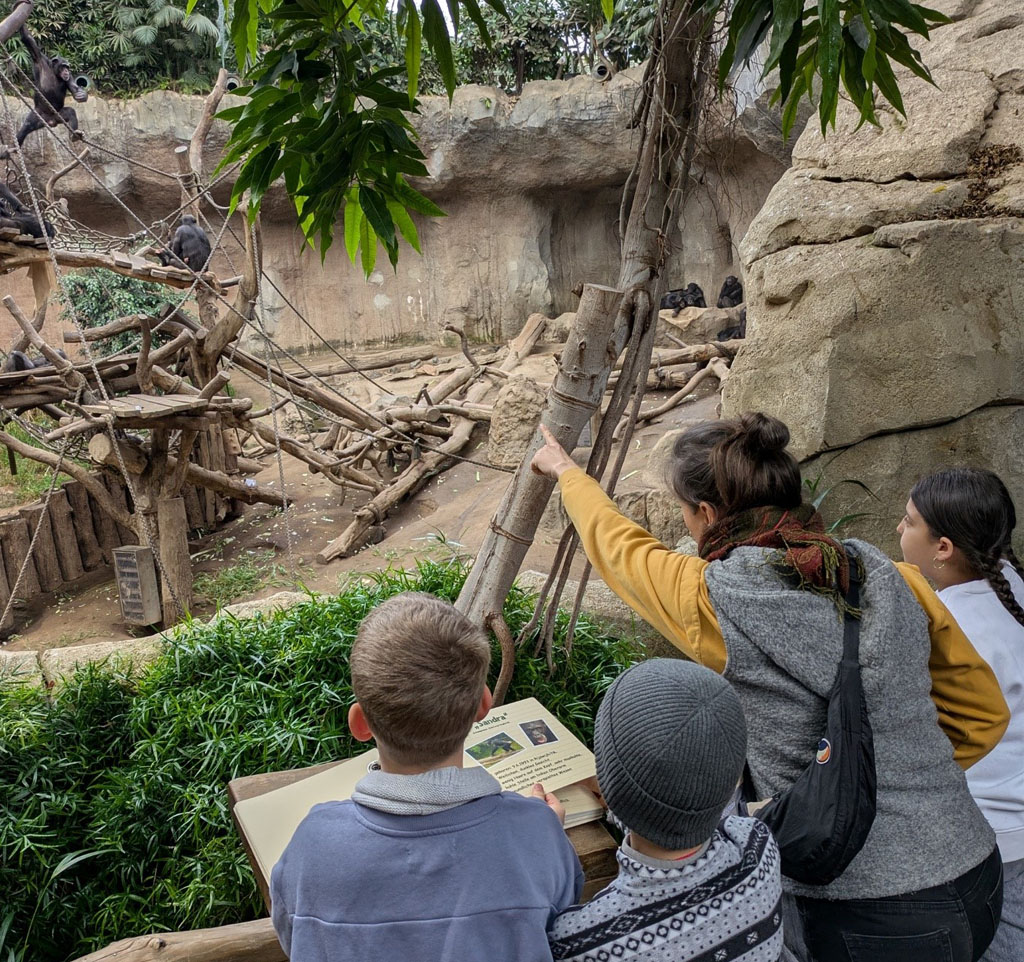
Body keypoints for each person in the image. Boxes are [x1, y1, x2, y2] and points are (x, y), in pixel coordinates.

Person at [531, 413, 1008, 962]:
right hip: (975, 868)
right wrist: (906, 772)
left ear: (707, 513)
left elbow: (621, 549)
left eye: (684, 510)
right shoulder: (890, 574)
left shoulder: (711, 598)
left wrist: (567, 472)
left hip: (865, 909)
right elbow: (983, 712)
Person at [270, 591, 584, 962]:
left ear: (360, 724)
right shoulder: (537, 831)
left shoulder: (313, 843)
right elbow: (563, 921)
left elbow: (292, 936)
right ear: (484, 705)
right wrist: (540, 831)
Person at [548, 658, 787, 962]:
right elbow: (679, 820)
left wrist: (549, 844)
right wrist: (617, 798)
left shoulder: (581, 943)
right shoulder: (757, 846)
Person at [900, 468, 1024, 962]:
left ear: (943, 548)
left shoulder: (950, 629)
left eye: (909, 521)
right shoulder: (1011, 584)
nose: (899, 529)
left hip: (993, 830)